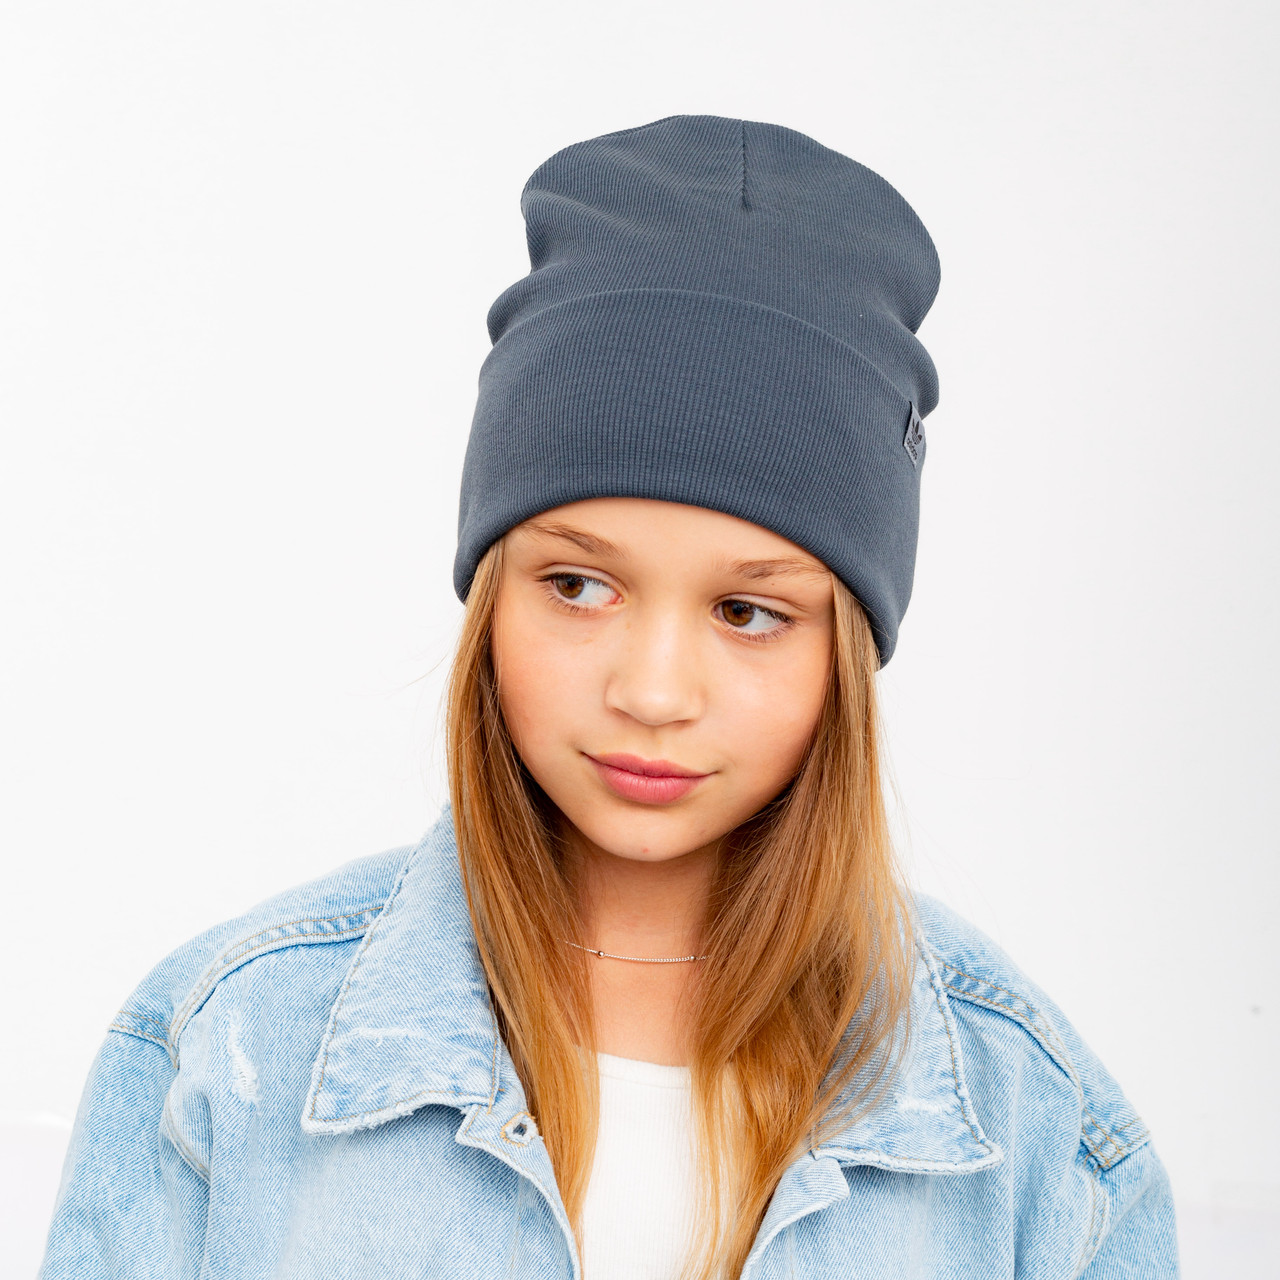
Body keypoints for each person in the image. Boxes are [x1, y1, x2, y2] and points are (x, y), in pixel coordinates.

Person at [38, 114, 1179, 1280]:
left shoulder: (1042, 1138)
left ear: (844, 651)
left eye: (748, 611)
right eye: (578, 585)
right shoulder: (227, 1045)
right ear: (492, 597)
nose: (651, 690)